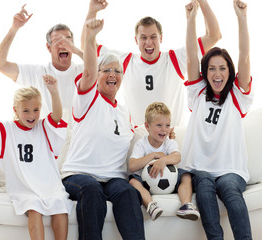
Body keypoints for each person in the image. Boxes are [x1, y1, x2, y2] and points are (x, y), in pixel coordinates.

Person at [61, 16, 145, 240]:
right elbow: (88, 71)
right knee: (91, 190)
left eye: (117, 71)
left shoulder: (124, 111)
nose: (112, 75)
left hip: (113, 178)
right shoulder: (88, 99)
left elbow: (143, 134)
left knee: (128, 191)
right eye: (106, 70)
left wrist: (165, 134)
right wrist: (89, 38)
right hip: (79, 174)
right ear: (97, 75)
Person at [81, 0, 222, 127]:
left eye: (153, 37)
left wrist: (202, 2)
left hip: (171, 140)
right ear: (136, 40)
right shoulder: (125, 61)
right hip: (138, 140)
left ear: (161, 38)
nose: (148, 42)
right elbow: (87, 46)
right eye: (143, 37)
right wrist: (92, 11)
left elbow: (214, 35)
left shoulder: (175, 59)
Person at [181, 0, 253, 239]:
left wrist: (242, 19)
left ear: (229, 71)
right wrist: (191, 20)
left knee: (231, 191)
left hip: (230, 170)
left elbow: (244, 57)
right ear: (206, 72)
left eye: (222, 68)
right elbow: (191, 57)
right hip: (201, 168)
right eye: (211, 68)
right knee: (203, 187)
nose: (217, 74)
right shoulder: (199, 92)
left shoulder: (237, 96)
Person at [0, 76, 73, 240]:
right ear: (15, 110)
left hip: (48, 183)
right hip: (23, 185)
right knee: (34, 207)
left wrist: (54, 91)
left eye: (36, 109)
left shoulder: (44, 127)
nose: (32, 115)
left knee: (60, 205)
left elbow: (57, 116)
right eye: (25, 110)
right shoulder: (6, 129)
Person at [0, 4, 84, 121]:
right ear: (49, 47)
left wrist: (77, 51)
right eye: (57, 40)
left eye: (67, 39)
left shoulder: (85, 71)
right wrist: (14, 28)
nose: (63, 44)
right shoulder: (38, 73)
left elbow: (102, 66)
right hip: (47, 138)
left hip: (81, 139)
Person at [129, 102, 200, 221]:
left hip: (170, 183)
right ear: (147, 126)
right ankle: (151, 205)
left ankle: (186, 205)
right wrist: (154, 155)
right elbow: (132, 166)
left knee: (186, 175)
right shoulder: (142, 144)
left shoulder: (169, 143)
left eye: (167, 125)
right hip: (148, 185)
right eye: (159, 125)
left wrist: (163, 161)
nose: (164, 129)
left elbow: (177, 157)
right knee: (132, 181)